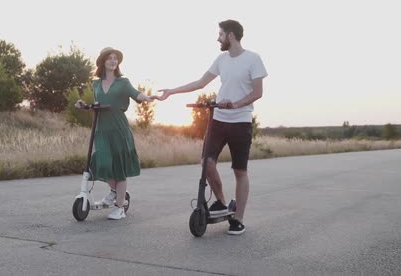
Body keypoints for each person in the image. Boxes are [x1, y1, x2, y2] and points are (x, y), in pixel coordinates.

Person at [154, 20, 267, 235]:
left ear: (231, 36)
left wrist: (236, 104)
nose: (218, 38)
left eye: (220, 34)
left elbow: (258, 93)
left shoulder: (253, 59)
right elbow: (200, 83)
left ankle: (238, 219)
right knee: (206, 163)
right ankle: (222, 203)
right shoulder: (221, 59)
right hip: (219, 119)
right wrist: (172, 91)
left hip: (241, 121)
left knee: (239, 170)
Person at [75, 47, 154, 220]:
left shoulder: (123, 82)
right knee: (101, 163)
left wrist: (147, 97)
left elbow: (136, 94)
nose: (113, 61)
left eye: (115, 58)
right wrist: (84, 105)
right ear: (103, 61)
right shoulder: (96, 84)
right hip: (101, 129)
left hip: (119, 129)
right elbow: (97, 103)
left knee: (119, 168)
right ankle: (115, 191)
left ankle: (119, 207)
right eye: (109, 58)